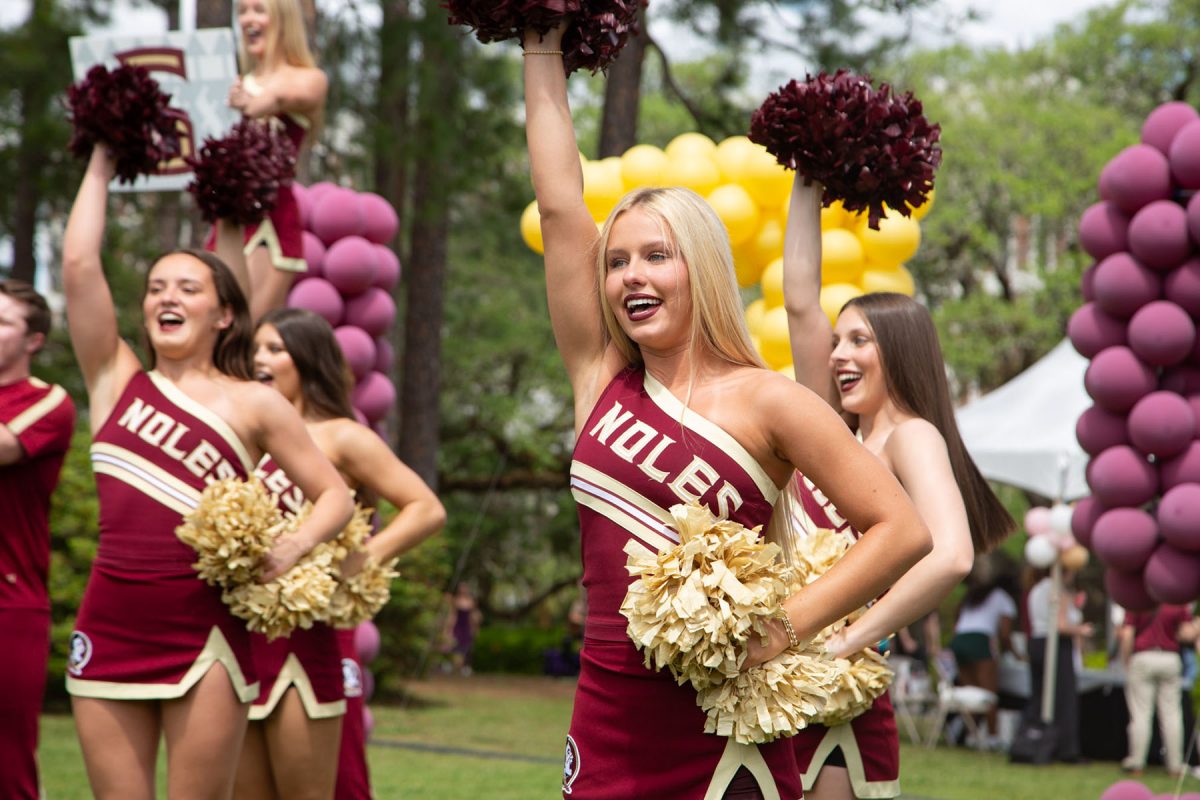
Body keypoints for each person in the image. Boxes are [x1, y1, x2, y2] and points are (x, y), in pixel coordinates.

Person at [523, 24, 933, 800]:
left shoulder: (770, 398)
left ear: (701, 267)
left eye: (655, 256)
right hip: (605, 716)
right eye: (616, 262)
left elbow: (903, 529)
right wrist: (536, 43)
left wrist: (784, 627)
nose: (629, 277)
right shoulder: (599, 378)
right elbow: (559, 206)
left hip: (724, 737)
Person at [62, 144, 353, 800]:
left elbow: (332, 497)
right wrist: (104, 162)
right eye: (156, 288)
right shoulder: (114, 378)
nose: (167, 296)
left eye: (187, 288)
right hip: (109, 623)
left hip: (207, 636)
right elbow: (79, 266)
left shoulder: (255, 400)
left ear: (224, 313)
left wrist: (292, 547)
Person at [781, 177, 1012, 798]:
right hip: (781, 681)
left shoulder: (912, 437)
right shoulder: (832, 431)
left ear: (901, 352)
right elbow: (801, 300)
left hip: (839, 699)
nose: (838, 355)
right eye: (838, 342)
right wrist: (806, 174)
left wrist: (851, 639)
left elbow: (953, 554)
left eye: (860, 341)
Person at [247, 307, 446, 800]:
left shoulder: (342, 436)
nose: (258, 359)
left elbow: (425, 508)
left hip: (313, 635)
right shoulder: (246, 432)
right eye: (255, 349)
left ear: (308, 360)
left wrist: (362, 558)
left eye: (274, 348)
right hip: (241, 633)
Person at [0, 280, 76, 800]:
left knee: (8, 765)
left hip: (8, 603)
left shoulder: (47, 401)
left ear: (34, 341)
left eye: (3, 322)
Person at [214, 0, 328, 319]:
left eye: (259, 9)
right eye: (242, 11)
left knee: (243, 330)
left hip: (271, 221)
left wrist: (254, 102)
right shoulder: (234, 82)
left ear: (283, 19)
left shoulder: (308, 78)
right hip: (225, 217)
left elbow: (282, 96)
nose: (248, 19)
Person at [1022, 565, 1094, 763]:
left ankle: (1033, 741)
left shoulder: (1036, 589)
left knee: (1040, 696)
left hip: (1036, 642)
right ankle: (1066, 749)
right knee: (1064, 698)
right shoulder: (1057, 589)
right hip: (1054, 645)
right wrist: (1082, 630)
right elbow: (1061, 625)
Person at [1119, 603, 1198, 777]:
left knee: (1140, 713)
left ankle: (1137, 763)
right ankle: (1175, 766)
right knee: (1172, 714)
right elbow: (1188, 633)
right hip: (1170, 658)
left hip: (1143, 656)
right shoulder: (1176, 602)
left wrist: (1126, 662)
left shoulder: (1138, 600)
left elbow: (1127, 634)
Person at [948, 562, 1019, 748]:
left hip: (959, 641)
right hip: (979, 641)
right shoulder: (1004, 599)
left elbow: (956, 624)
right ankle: (993, 738)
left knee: (970, 692)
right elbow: (1004, 634)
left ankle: (969, 736)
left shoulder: (976, 595)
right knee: (988, 693)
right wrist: (1016, 654)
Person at [442, 583, 481, 676]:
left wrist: (475, 627)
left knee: (467, 646)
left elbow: (472, 616)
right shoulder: (455, 600)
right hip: (458, 625)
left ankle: (466, 667)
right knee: (453, 644)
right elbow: (453, 614)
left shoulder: (471, 601)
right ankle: (448, 664)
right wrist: (448, 627)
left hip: (466, 626)